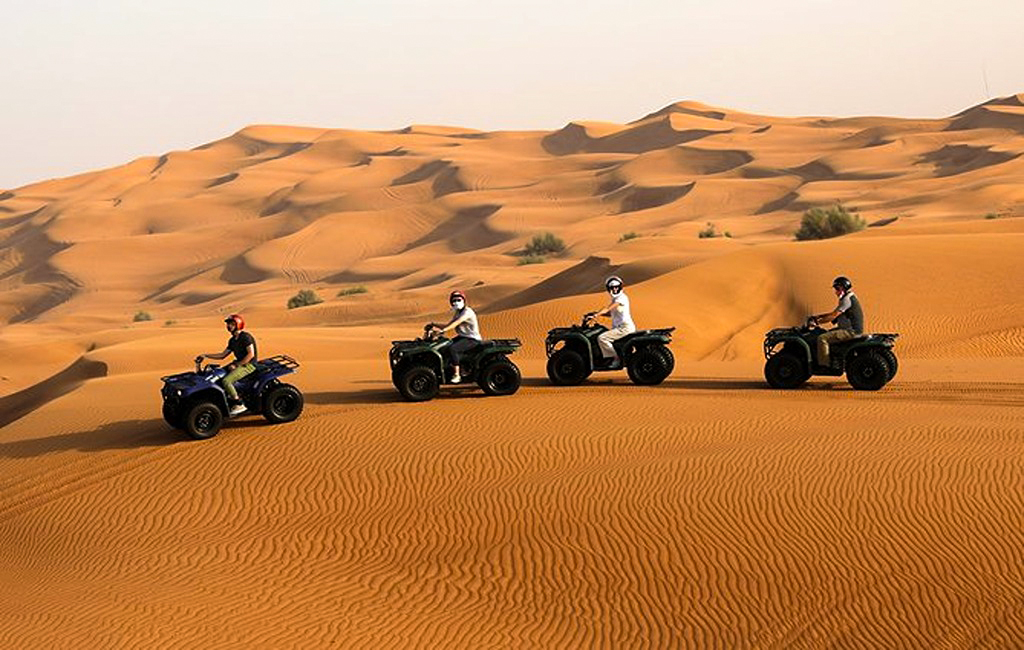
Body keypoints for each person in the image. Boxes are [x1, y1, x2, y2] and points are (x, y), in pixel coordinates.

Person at [196, 314, 258, 415]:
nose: (229, 326)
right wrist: (205, 355)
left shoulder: (245, 337)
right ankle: (228, 396)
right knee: (218, 375)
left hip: (249, 365)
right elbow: (222, 355)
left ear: (238, 324)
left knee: (226, 381)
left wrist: (237, 365)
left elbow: (251, 354)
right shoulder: (233, 340)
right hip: (238, 364)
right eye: (228, 324)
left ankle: (239, 404)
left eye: (232, 324)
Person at [811, 276, 864, 367]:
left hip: (850, 332)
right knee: (827, 333)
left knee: (822, 338)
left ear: (843, 288)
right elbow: (834, 313)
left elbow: (834, 316)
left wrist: (817, 323)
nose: (836, 291)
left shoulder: (847, 300)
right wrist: (818, 316)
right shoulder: (848, 297)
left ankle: (824, 365)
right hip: (849, 329)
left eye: (837, 288)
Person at [430, 290, 481, 383]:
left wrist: (443, 331)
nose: (456, 302)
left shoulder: (467, 312)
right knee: (445, 345)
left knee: (453, 349)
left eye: (458, 299)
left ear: (463, 300)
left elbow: (456, 323)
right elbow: (449, 324)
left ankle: (457, 375)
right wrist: (434, 324)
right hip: (462, 337)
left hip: (472, 339)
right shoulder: (458, 312)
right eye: (454, 300)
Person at [591, 275, 636, 368]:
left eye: (616, 287)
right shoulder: (615, 299)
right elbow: (610, 313)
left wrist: (597, 314)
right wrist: (596, 314)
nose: (615, 289)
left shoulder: (621, 298)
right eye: (612, 288)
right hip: (620, 328)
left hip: (624, 328)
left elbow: (608, 309)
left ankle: (615, 359)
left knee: (602, 338)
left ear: (620, 287)